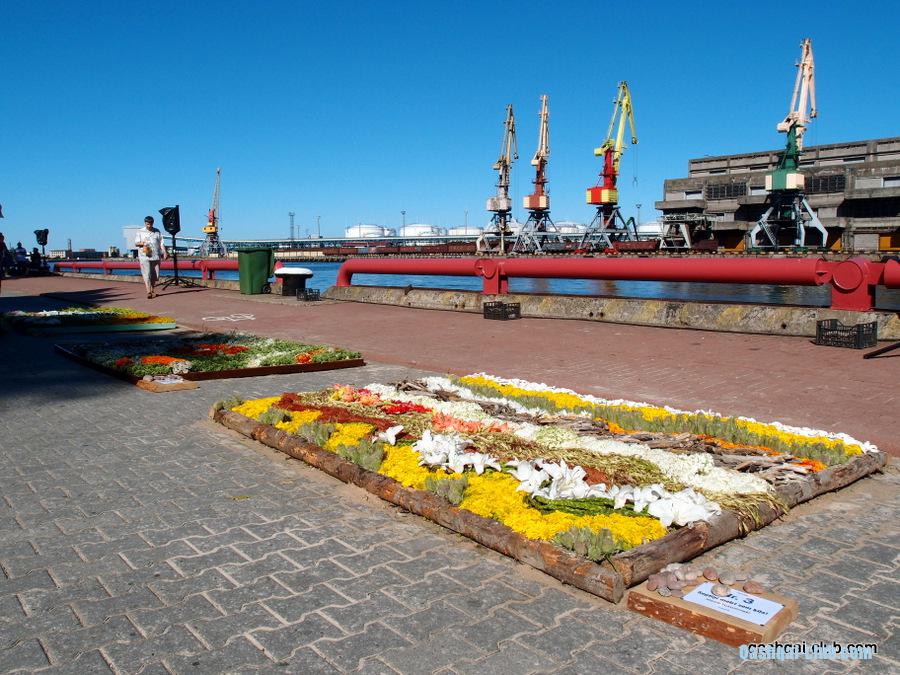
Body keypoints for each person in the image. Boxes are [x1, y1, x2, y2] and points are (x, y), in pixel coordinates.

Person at [134, 216, 168, 298]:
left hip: (156, 255)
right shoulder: (140, 231)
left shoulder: (157, 231)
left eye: (150, 224)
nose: (149, 226)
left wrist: (165, 252)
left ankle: (152, 290)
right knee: (147, 273)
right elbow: (136, 243)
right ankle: (148, 291)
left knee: (155, 274)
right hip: (144, 256)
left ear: (153, 223)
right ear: (145, 223)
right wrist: (143, 243)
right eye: (147, 224)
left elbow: (161, 243)